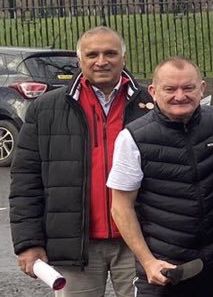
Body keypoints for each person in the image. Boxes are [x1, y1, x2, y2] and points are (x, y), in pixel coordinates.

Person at [11, 27, 154, 297]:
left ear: (123, 58)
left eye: (110, 53)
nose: (102, 61)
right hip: (74, 244)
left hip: (140, 242)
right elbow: (25, 180)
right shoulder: (46, 109)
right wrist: (28, 242)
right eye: (92, 54)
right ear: (79, 60)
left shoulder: (152, 105)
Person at [108, 58, 213, 296]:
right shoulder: (132, 138)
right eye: (170, 89)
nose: (180, 96)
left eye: (188, 87)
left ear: (202, 89)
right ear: (153, 92)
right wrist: (148, 262)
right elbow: (121, 207)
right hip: (166, 269)